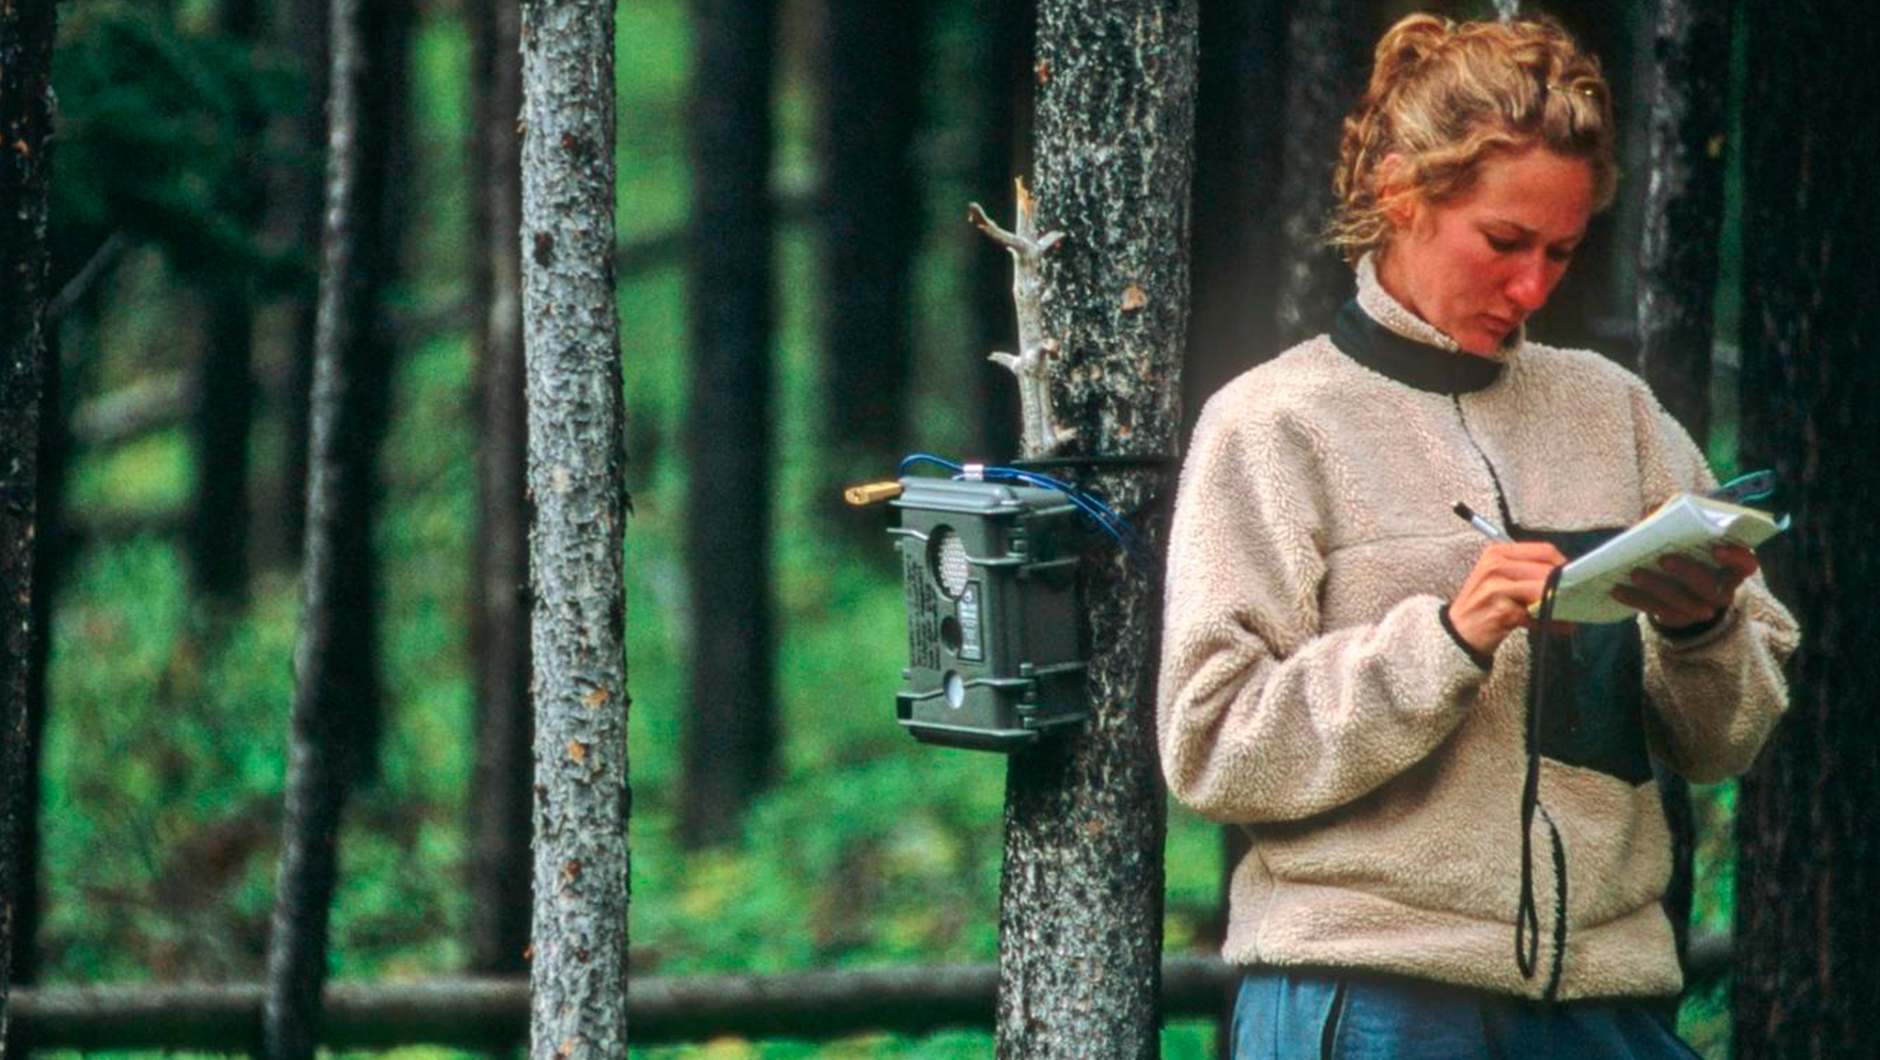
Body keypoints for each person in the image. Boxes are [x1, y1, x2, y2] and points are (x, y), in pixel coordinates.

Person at [1157, 13, 1798, 1059]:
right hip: (1366, 997)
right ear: (1400, 192)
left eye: (1561, 251)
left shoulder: (1617, 415)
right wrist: (1445, 639)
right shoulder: (1273, 425)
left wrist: (1702, 632)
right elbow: (1212, 746)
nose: (1533, 288)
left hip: (1606, 1006)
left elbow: (1727, 739)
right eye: (1503, 243)